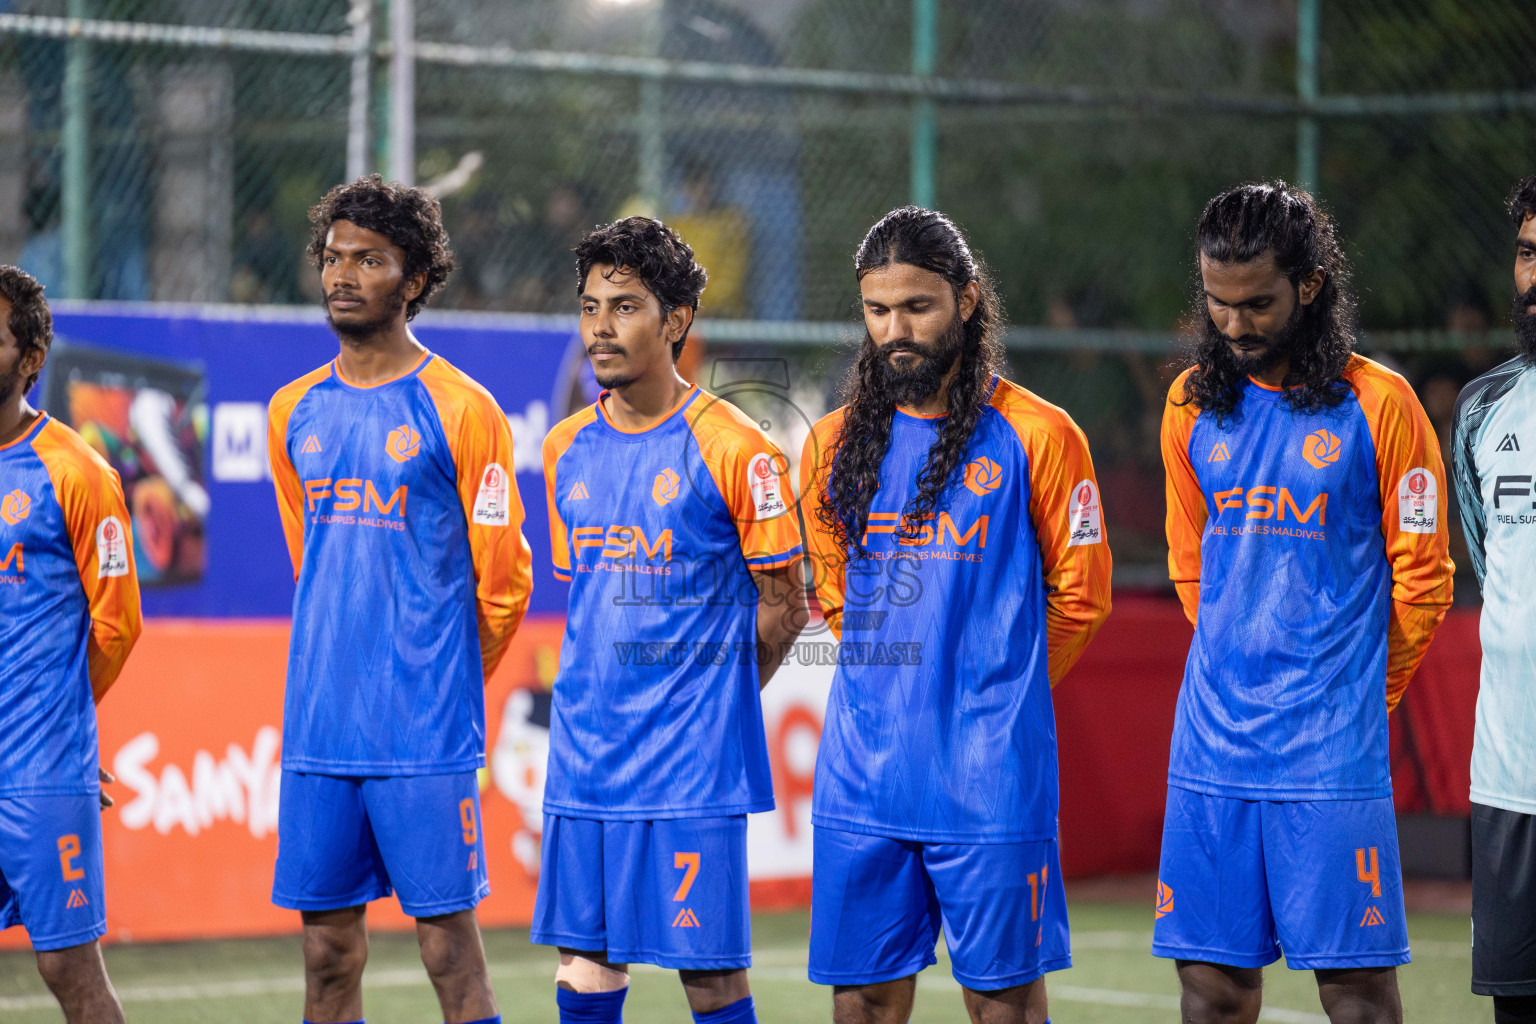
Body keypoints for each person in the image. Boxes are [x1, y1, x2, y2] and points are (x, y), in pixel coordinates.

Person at [798, 207, 1113, 1024]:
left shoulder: (1042, 436)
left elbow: (1081, 596)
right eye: (877, 310)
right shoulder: (829, 445)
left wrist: (996, 696)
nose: (894, 329)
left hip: (991, 777)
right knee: (863, 1004)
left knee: (1003, 1006)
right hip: (864, 774)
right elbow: (834, 595)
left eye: (916, 307)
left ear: (967, 301)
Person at [1156, 181, 1454, 1024]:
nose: (1236, 326)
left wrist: (1361, 693)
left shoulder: (1382, 404)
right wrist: (1238, 670)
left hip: (1329, 755)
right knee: (1211, 993)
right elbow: (1192, 571)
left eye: (1257, 304)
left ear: (1311, 286)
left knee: (1356, 995)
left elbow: (1424, 580)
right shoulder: (1190, 405)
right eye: (1219, 304)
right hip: (1212, 750)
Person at [266, 175, 533, 1024]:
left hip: (422, 730)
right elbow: (310, 559)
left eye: (370, 260)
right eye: (334, 257)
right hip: (320, 724)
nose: (342, 274)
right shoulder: (292, 412)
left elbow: (505, 581)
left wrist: (443, 678)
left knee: (449, 954)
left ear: (413, 279)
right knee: (326, 958)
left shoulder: (465, 410)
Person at [533, 216, 805, 1024]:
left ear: (676, 322)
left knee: (711, 981)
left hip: (691, 768)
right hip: (585, 762)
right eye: (589, 308)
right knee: (585, 969)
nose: (600, 328)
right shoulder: (563, 450)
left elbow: (784, 607)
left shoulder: (737, 449)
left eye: (624, 307)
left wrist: (714, 701)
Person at [0, 264, 142, 1023]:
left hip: (39, 771)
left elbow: (118, 623)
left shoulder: (77, 472)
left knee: (69, 971)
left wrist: (62, 724)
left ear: (29, 360)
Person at [1451, 175, 1536, 1024]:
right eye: (1527, 253)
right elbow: (1492, 563)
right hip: (1511, 780)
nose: (1535, 275)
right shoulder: (1483, 409)